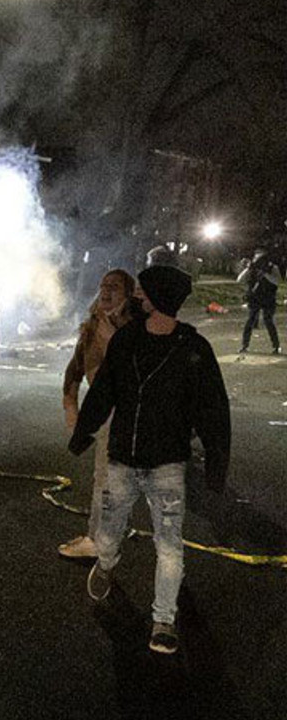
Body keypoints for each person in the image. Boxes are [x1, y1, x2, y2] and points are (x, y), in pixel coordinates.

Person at [69, 264, 230, 655]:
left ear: (158, 298)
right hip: (121, 461)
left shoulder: (194, 350)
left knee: (170, 545)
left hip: (167, 467)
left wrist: (215, 467)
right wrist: (82, 436)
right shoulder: (126, 341)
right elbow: (103, 392)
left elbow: (214, 412)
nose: (136, 297)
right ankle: (106, 563)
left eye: (142, 292)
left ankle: (163, 620)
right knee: (107, 536)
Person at [57, 270, 138, 558]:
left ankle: (99, 542)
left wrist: (113, 340)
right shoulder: (93, 326)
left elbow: (136, 373)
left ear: (128, 294)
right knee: (106, 478)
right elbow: (74, 370)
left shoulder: (134, 327)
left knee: (109, 479)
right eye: (102, 285)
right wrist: (71, 408)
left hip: (127, 413)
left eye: (114, 287)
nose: (106, 291)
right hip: (103, 412)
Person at [236, 249, 281, 354]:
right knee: (250, 321)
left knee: (268, 321)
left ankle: (276, 346)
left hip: (268, 298)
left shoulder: (273, 268)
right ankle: (244, 345)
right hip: (255, 298)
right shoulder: (253, 268)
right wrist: (248, 268)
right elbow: (239, 280)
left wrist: (265, 273)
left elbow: (277, 281)